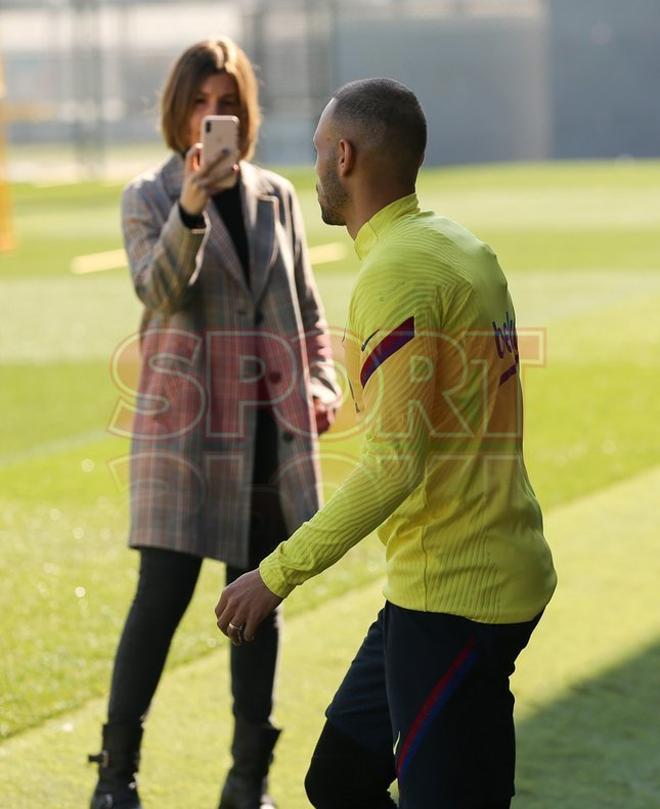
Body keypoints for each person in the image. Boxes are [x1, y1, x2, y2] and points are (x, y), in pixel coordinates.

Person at [215, 78, 558, 809]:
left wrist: (274, 574)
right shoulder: (457, 244)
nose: (312, 168)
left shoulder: (396, 271)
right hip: (455, 578)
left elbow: (394, 466)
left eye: (316, 151)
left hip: (459, 594)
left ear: (344, 156)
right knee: (338, 779)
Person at [87, 38, 339, 809]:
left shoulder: (278, 194)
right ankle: (116, 773)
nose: (214, 116)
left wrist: (322, 376)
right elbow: (158, 290)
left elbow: (306, 303)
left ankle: (247, 778)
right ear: (178, 110)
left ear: (245, 112)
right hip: (182, 437)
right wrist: (192, 207)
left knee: (255, 604)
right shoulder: (149, 194)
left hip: (267, 433)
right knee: (158, 602)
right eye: (200, 102)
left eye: (226, 103)